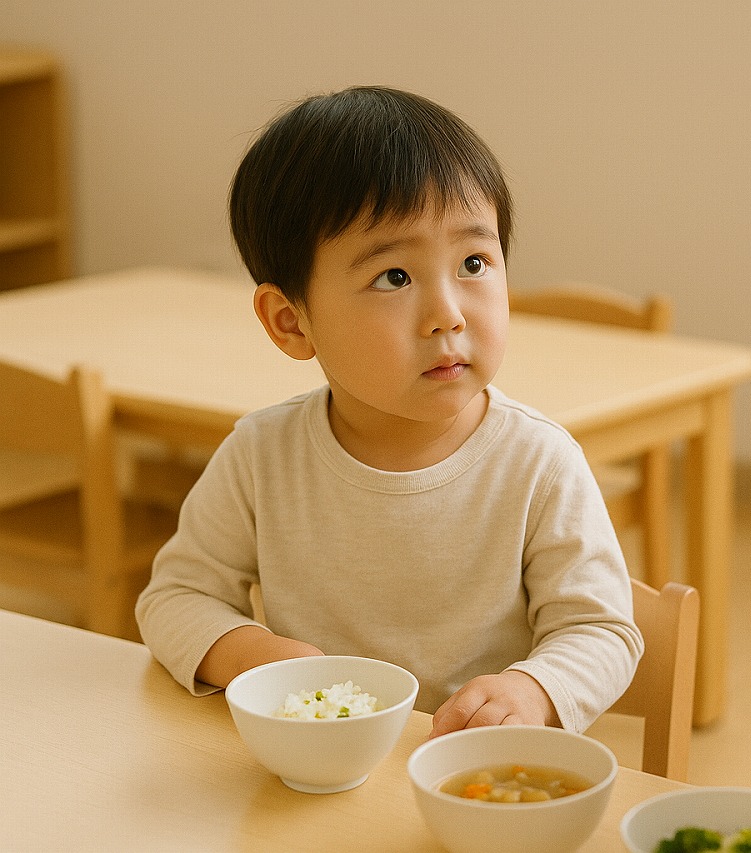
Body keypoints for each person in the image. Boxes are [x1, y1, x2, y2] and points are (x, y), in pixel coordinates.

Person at [136, 86, 642, 739]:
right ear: (291, 321)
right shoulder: (261, 456)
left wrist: (533, 689)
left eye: (474, 262)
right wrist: (249, 653)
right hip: (315, 767)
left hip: (472, 778)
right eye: (395, 277)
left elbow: (601, 630)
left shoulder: (538, 462)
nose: (449, 313)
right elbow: (175, 597)